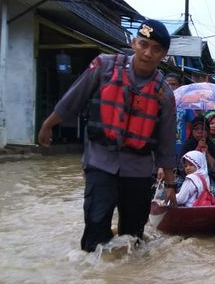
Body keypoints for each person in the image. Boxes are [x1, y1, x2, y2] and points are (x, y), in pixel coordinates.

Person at [38, 19, 177, 252]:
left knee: (133, 236)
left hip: (139, 170)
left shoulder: (164, 93)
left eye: (156, 49)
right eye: (143, 44)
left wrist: (171, 184)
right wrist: (48, 124)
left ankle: (127, 281)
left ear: (163, 54)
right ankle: (94, 281)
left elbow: (166, 143)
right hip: (100, 162)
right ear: (134, 43)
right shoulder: (104, 67)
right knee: (95, 226)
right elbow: (73, 100)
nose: (147, 53)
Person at [178, 116, 215, 195]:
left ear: (208, 131)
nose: (199, 131)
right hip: (187, 179)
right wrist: (197, 150)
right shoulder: (187, 147)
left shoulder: (214, 149)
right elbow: (181, 169)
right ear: (192, 131)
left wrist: (207, 154)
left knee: (214, 193)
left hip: (207, 180)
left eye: (203, 129)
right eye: (196, 129)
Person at [166, 72, 194, 157]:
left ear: (179, 86)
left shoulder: (185, 104)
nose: (170, 87)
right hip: (162, 148)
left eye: (173, 84)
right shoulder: (158, 102)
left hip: (180, 149)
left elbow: (192, 124)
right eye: (167, 84)